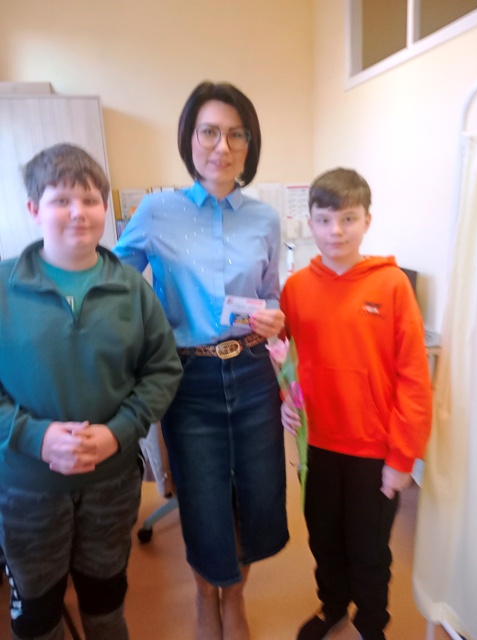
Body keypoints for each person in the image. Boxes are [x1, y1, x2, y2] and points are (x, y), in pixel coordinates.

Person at [114, 81, 289, 640]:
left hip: (253, 371)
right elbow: (115, 282)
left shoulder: (264, 219)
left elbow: (271, 293)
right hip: (189, 378)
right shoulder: (156, 211)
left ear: (249, 144)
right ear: (190, 138)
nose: (222, 146)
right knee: (203, 498)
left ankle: (234, 597)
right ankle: (203, 596)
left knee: (257, 498)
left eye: (236, 134)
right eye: (209, 132)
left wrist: (275, 316)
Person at [0, 143, 183, 640]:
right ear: (34, 209)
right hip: (26, 488)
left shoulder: (132, 288)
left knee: (106, 603)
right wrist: (34, 437)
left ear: (105, 207)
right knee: (37, 614)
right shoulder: (5, 287)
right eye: (61, 200)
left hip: (111, 483)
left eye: (90, 199)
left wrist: (119, 431)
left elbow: (162, 370)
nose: (78, 212)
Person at [280, 168, 432, 640]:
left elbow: (414, 378)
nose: (336, 231)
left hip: (374, 452)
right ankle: (332, 608)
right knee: (325, 541)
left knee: (369, 550)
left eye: (348, 218)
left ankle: (371, 623)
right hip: (316, 448)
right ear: (310, 222)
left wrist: (402, 458)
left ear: (367, 220)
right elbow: (285, 359)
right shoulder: (296, 288)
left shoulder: (391, 285)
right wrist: (285, 399)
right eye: (325, 220)